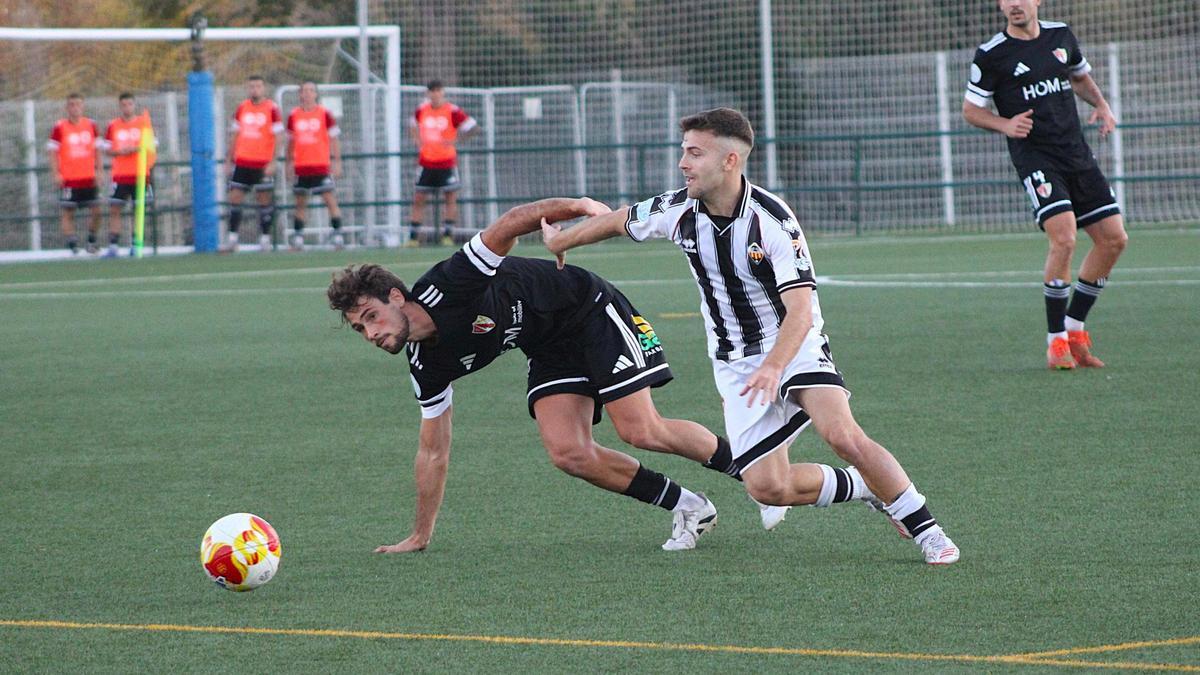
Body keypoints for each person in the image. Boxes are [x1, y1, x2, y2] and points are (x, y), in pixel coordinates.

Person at [542, 108, 960, 565]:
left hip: (793, 346)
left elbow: (800, 311)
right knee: (768, 487)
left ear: (730, 161)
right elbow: (618, 220)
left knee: (841, 433)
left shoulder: (773, 221)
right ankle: (865, 485)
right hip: (736, 361)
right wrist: (562, 242)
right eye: (683, 151)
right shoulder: (677, 209)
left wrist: (776, 366)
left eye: (695, 153)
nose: (683, 162)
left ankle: (927, 530)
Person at [328, 197, 783, 553]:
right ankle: (690, 508)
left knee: (642, 429)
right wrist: (419, 535)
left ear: (395, 296)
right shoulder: (426, 367)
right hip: (548, 344)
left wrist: (581, 207)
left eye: (371, 316)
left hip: (589, 310)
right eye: (359, 327)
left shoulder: (449, 284)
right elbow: (433, 454)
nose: (370, 332)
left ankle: (756, 479)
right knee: (569, 453)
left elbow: (510, 223)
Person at [963, 0, 1128, 369]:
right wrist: (1005, 125)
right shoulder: (992, 54)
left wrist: (1102, 105)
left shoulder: (1061, 35)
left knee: (1114, 239)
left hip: (1077, 153)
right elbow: (971, 110)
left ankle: (1075, 328)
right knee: (1065, 236)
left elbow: (1080, 76)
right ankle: (1056, 344)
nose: (1015, 4)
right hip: (1037, 158)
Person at [407, 80, 478, 246]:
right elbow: (412, 124)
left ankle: (447, 235)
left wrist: (456, 141)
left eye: (438, 90)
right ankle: (413, 237)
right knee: (419, 198)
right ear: (428, 93)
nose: (436, 94)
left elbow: (473, 127)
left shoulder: (451, 111)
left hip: (447, 162)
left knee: (450, 198)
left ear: (443, 92)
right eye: (432, 91)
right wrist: (417, 140)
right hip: (426, 162)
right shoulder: (422, 110)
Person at [224, 75, 283, 252]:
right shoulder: (242, 107)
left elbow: (279, 137)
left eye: (258, 86)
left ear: (263, 88)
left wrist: (273, 161)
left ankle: (264, 238)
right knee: (234, 198)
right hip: (242, 161)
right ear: (247, 88)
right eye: (252, 86)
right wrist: (228, 160)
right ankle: (232, 239)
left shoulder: (272, 109)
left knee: (264, 200)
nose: (255, 89)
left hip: (262, 163)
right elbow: (235, 135)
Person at [286, 81, 345, 251]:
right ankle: (298, 237)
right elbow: (291, 142)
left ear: (316, 94)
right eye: (304, 90)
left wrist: (337, 161)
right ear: (300, 94)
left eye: (311, 90)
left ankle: (338, 234)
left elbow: (334, 139)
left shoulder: (325, 114)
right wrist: (289, 162)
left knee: (330, 200)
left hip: (321, 165)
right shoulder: (294, 115)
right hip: (301, 166)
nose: (307, 93)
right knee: (300, 202)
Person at [47, 93, 104, 255]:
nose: (75, 108)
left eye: (78, 104)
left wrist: (99, 171)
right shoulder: (60, 127)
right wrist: (56, 173)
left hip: (89, 177)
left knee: (97, 211)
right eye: (71, 104)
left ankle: (91, 241)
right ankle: (73, 245)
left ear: (83, 106)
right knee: (67, 212)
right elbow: (52, 152)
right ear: (67, 107)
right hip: (69, 178)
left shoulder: (91, 125)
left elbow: (98, 149)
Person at [102, 93, 156, 257]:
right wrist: (120, 151)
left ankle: (136, 245)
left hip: (140, 174)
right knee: (115, 208)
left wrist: (139, 149)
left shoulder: (143, 124)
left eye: (129, 104)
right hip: (120, 175)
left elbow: (153, 145)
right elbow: (107, 149)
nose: (127, 108)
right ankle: (113, 246)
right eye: (124, 105)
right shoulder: (113, 125)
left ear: (134, 105)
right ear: (120, 106)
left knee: (138, 209)